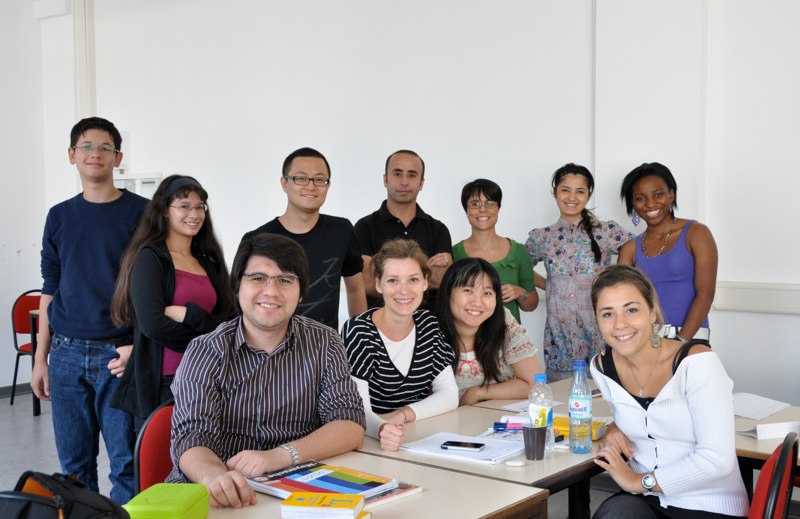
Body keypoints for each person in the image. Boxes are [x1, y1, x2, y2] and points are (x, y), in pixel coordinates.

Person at [166, 233, 365, 509]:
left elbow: (350, 423)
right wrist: (216, 477)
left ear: (301, 291)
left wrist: (280, 456)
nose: (271, 291)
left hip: (291, 488)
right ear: (237, 286)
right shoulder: (206, 350)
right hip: (216, 491)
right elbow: (191, 436)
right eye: (258, 278)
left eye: (285, 280)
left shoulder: (324, 342)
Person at [31, 117, 149, 503]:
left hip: (118, 355)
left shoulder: (143, 213)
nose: (95, 154)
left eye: (104, 148)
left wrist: (137, 346)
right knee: (74, 469)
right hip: (65, 355)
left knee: (126, 464)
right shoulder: (59, 215)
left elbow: (154, 286)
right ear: (72, 155)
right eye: (86, 146)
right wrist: (41, 358)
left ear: (118, 157)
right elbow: (50, 287)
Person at [589, 265, 748, 519]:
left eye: (631, 310)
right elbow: (644, 420)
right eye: (608, 314)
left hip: (707, 503)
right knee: (613, 514)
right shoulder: (601, 367)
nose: (620, 324)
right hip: (646, 501)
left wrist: (639, 481)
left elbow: (717, 461)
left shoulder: (697, 363)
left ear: (652, 312)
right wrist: (613, 427)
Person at [109, 175, 235, 433]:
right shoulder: (150, 258)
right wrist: (208, 343)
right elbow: (153, 325)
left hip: (208, 378)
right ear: (165, 210)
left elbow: (230, 323)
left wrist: (189, 315)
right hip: (165, 383)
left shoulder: (208, 261)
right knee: (163, 457)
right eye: (184, 206)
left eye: (200, 207)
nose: (194, 214)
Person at [341, 239, 458, 452]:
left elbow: (449, 395)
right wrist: (382, 428)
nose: (404, 290)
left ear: (425, 282)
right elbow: (358, 409)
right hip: (372, 444)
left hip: (418, 437)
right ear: (379, 284)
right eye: (393, 280)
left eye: (413, 279)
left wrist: (402, 415)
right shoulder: (358, 331)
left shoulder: (428, 324)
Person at [525, 163, 633, 381]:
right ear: (555, 192)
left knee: (604, 393)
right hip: (559, 338)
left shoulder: (607, 231)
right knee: (562, 396)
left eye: (580, 191)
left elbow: (639, 251)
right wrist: (549, 284)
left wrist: (617, 280)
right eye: (565, 190)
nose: (572, 197)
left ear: (588, 194)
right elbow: (521, 268)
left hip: (600, 333)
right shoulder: (541, 237)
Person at [242, 147, 366, 329]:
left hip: (325, 343)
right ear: (284, 183)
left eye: (319, 179)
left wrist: (360, 335)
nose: (311, 186)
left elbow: (355, 289)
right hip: (270, 342)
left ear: (328, 185)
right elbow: (244, 301)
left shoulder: (342, 230)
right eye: (301, 178)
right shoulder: (257, 239)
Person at [618, 162, 718, 341]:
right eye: (640, 198)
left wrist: (681, 342)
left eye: (658, 194)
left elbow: (705, 295)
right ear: (633, 203)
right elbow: (624, 302)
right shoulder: (629, 249)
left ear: (671, 194)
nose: (650, 204)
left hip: (691, 339)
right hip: (646, 341)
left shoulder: (696, 233)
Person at [354, 150, 453, 311]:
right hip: (378, 323)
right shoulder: (364, 227)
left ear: (421, 183)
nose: (404, 182)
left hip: (429, 323)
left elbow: (442, 279)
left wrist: (388, 277)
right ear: (385, 179)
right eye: (397, 174)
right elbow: (366, 282)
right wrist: (425, 270)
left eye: (412, 175)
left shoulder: (438, 229)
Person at [436, 258, 542, 405]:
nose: (477, 302)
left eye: (487, 293)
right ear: (448, 293)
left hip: (497, 416)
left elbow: (534, 384)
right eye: (468, 290)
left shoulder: (503, 321)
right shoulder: (428, 329)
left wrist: (477, 393)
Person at [452, 179, 538, 323]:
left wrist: (520, 293)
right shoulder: (454, 253)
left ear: (498, 208)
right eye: (475, 204)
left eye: (490, 203)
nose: (482, 209)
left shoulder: (518, 251)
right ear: (466, 210)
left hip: (508, 335)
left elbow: (531, 304)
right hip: (466, 334)